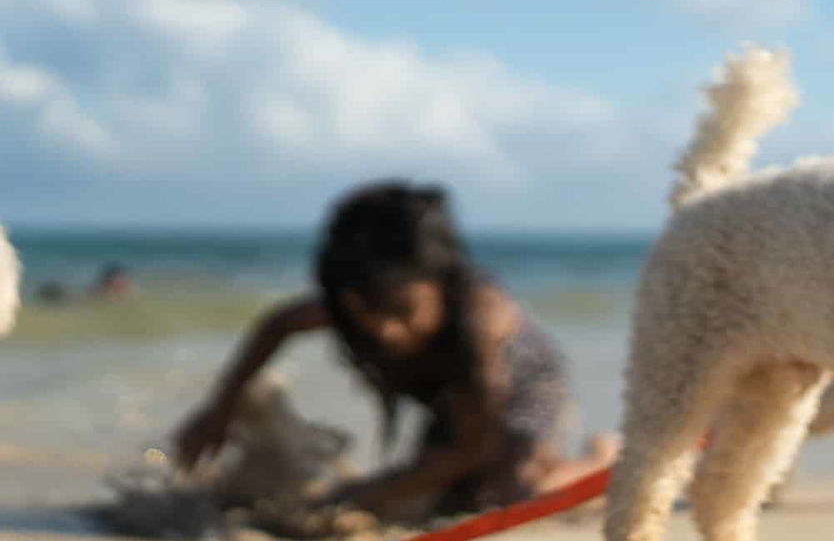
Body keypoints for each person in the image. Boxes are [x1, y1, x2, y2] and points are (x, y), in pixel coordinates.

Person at [175, 182, 615, 522]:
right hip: (451, 402)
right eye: (368, 312)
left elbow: (475, 446)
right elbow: (278, 323)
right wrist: (217, 413)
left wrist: (360, 495)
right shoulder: (353, 299)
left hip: (518, 390)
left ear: (441, 285)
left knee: (510, 496)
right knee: (437, 501)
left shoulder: (481, 318)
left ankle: (602, 463)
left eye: (404, 311)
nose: (386, 330)